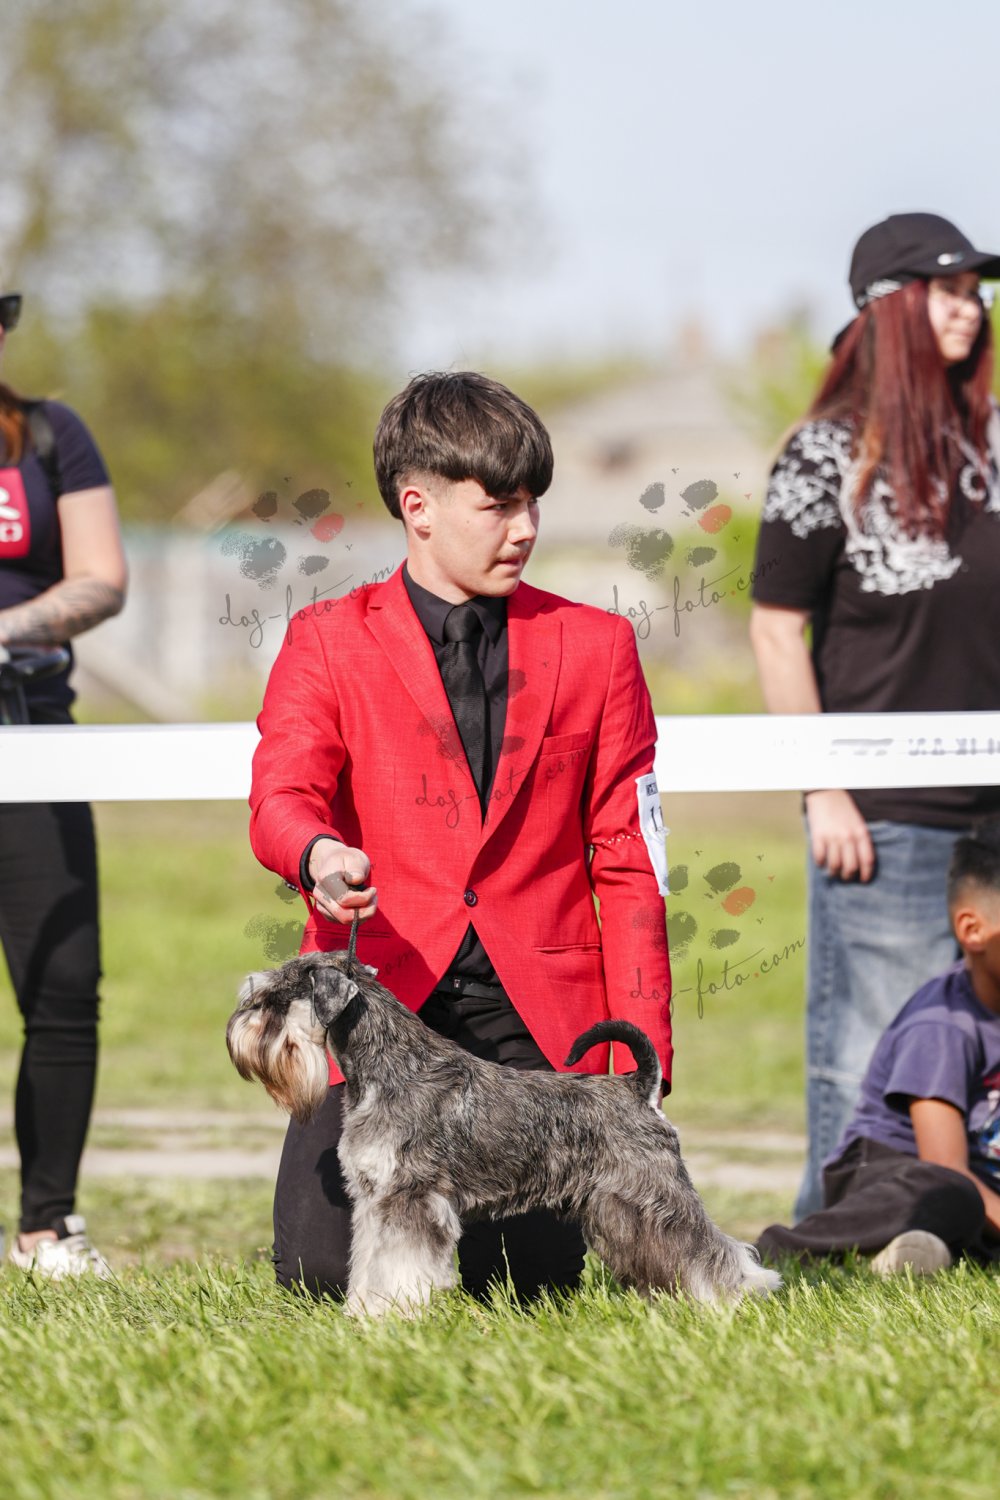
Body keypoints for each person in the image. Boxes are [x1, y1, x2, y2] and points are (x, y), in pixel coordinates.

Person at [249, 370, 672, 1301]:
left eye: (533, 504)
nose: (525, 528)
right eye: (500, 505)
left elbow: (631, 861)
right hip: (378, 1010)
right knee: (322, 1276)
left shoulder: (599, 646)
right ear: (420, 507)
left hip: (536, 1027)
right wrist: (318, 855)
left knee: (526, 1286)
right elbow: (281, 795)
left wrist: (640, 1051)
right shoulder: (327, 639)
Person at [750, 212, 1000, 1218]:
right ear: (890, 308)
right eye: (947, 291)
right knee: (870, 1057)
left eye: (975, 292)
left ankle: (957, 1234)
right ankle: (837, 1243)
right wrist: (824, 788)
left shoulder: (993, 445)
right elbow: (777, 630)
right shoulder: (825, 456)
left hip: (990, 809)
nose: (970, 309)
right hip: (882, 817)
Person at [0, 287, 127, 1274]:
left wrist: (7, 628)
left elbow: (101, 578)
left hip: (30, 722)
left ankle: (47, 1225)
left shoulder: (49, 436)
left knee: (63, 978)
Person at [757, 818, 1000, 1274]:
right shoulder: (941, 1026)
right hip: (887, 1177)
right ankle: (779, 1250)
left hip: (970, 1188)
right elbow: (946, 1165)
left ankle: (913, 1254)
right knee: (952, 1194)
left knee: (965, 1208)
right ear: (973, 930)